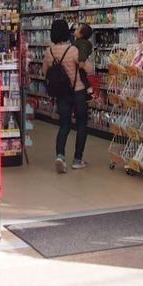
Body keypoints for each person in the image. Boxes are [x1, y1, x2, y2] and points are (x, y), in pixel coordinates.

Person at [42, 18, 93, 173]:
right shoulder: (73, 50)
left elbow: (44, 72)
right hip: (78, 92)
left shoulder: (49, 51)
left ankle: (60, 156)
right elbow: (89, 69)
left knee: (64, 125)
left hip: (61, 93)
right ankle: (77, 160)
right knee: (81, 125)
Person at [73, 23, 95, 101]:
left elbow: (82, 53)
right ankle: (88, 90)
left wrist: (81, 61)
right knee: (83, 77)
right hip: (79, 64)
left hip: (81, 64)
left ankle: (89, 90)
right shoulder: (79, 41)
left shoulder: (82, 43)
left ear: (81, 35)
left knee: (83, 77)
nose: (75, 30)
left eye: (77, 29)